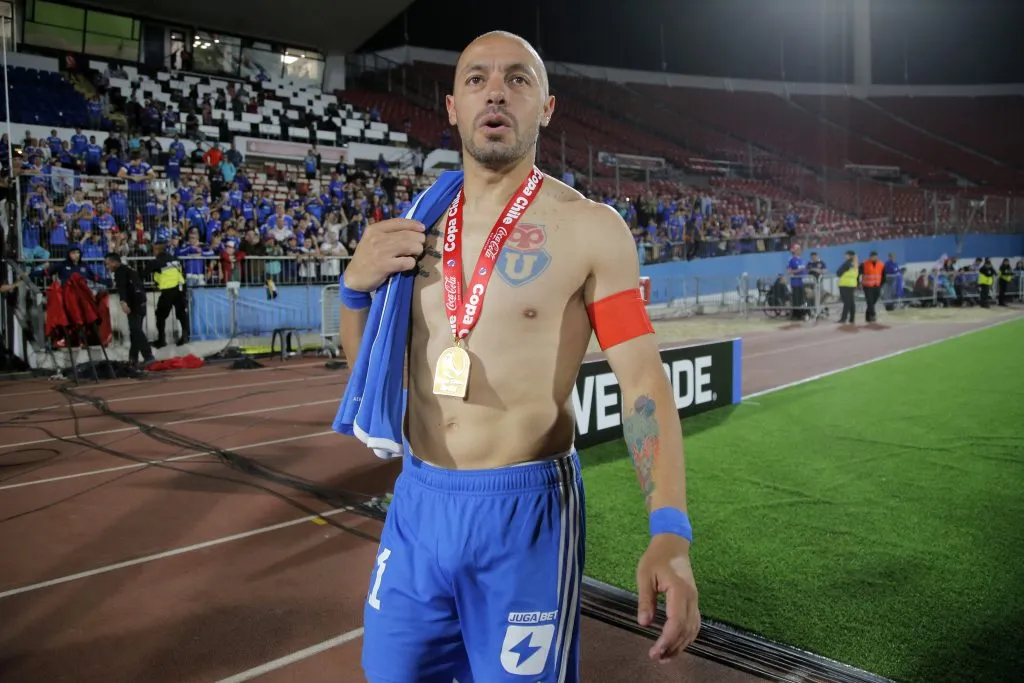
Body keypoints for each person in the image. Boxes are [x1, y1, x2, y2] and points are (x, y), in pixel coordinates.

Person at [342, 31, 699, 682]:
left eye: (517, 78)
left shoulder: (590, 229)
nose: (496, 90)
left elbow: (643, 379)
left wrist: (669, 530)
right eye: (476, 79)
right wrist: (352, 288)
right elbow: (364, 372)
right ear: (451, 107)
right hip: (418, 505)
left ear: (547, 108)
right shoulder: (411, 228)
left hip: (524, 515)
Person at [104, 252, 155, 369]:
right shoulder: (129, 269)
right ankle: (133, 358)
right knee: (135, 331)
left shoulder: (120, 271)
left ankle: (148, 355)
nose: (107, 267)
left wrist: (123, 301)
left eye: (108, 264)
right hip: (141, 301)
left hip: (134, 303)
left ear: (114, 262)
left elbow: (122, 287)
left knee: (135, 329)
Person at [149, 239, 189, 347]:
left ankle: (161, 340)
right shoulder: (176, 259)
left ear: (157, 250)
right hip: (180, 289)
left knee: (160, 315)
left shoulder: (156, 262)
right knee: (182, 314)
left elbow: (143, 274)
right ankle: (185, 336)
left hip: (168, 291)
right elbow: (182, 272)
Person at [859, 251, 885, 323]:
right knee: (869, 301)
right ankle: (873, 315)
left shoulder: (881, 264)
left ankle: (867, 317)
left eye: (876, 256)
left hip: (877, 286)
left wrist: (881, 284)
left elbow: (883, 275)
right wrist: (859, 283)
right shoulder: (864, 264)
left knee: (873, 302)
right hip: (867, 286)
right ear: (870, 257)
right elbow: (859, 274)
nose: (874, 258)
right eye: (873, 257)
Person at [835, 250, 859, 325]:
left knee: (847, 302)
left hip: (845, 284)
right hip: (852, 284)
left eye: (846, 255)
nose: (844, 256)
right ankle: (852, 318)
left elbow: (838, 272)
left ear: (849, 255)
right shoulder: (855, 263)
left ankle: (843, 318)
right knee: (851, 302)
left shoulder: (847, 263)